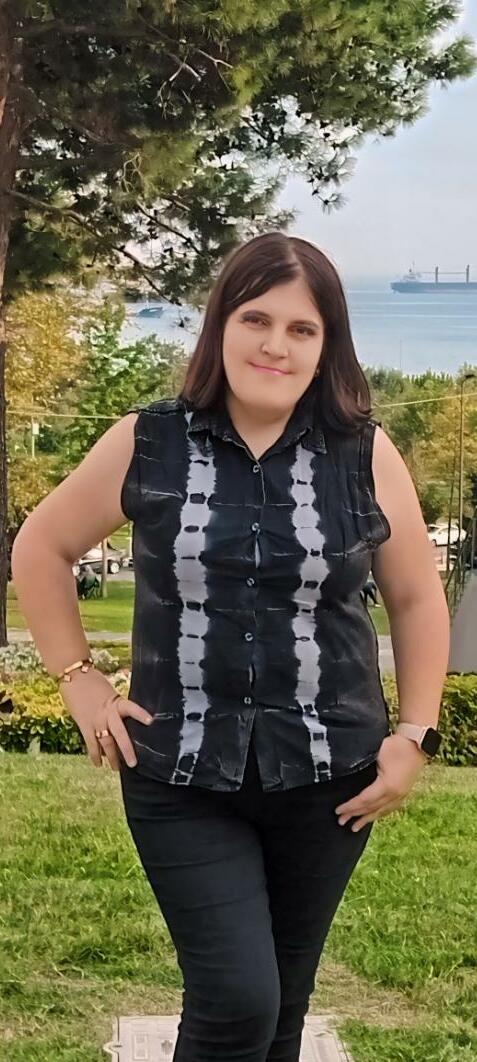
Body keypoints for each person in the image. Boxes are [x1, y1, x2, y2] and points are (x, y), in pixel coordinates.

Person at [11, 232, 449, 1062]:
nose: (275, 345)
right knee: (237, 1003)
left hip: (329, 778)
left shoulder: (363, 454)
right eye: (256, 319)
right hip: (180, 775)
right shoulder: (149, 440)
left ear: (326, 346)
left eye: (301, 328)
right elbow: (41, 547)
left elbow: (416, 597)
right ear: (220, 325)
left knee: (282, 1010)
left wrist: (413, 734)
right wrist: (78, 679)